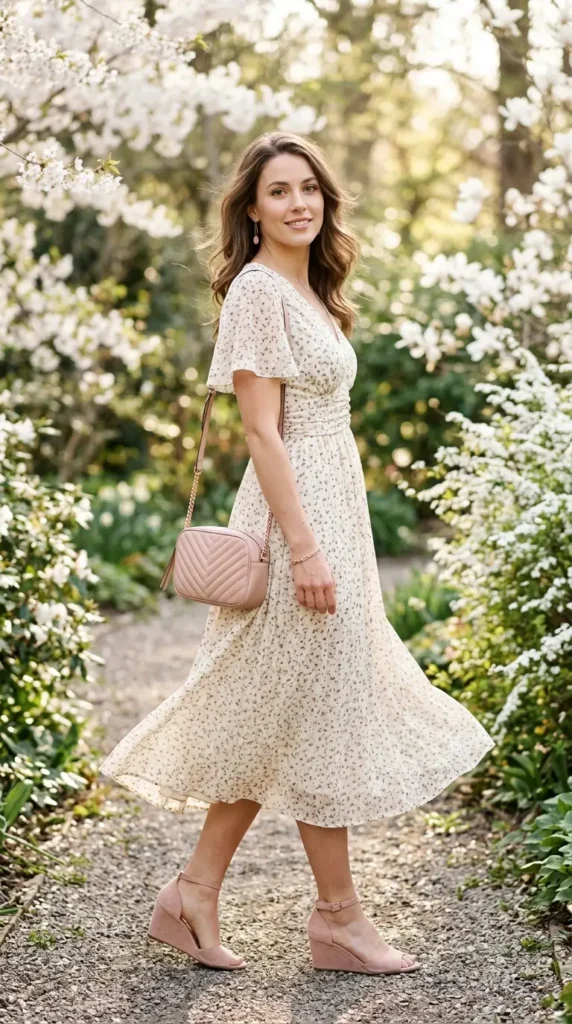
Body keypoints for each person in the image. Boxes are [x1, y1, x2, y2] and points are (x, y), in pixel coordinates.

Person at [99, 131, 495, 975]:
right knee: (316, 704)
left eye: (309, 188)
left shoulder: (309, 288)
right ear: (251, 209)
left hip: (333, 509)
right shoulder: (255, 291)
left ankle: (195, 893)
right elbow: (260, 433)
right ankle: (337, 918)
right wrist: (307, 550)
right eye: (279, 191)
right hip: (294, 522)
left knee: (287, 705)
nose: (298, 203)